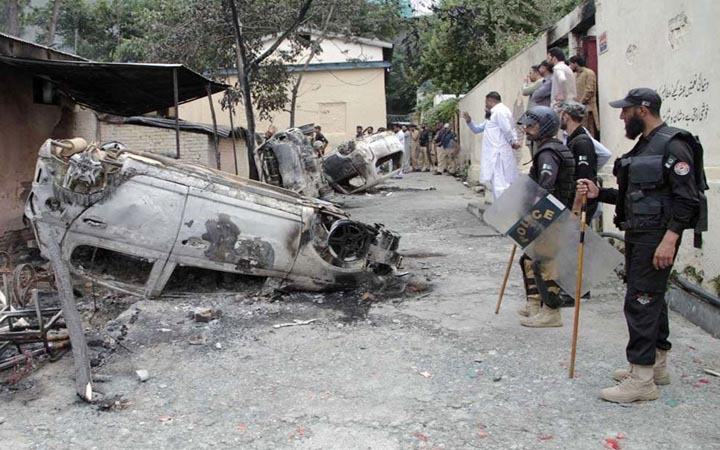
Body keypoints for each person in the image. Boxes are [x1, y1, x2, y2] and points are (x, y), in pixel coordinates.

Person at [575, 88, 701, 403]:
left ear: (642, 110)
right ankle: (656, 367)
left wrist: (670, 239)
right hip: (638, 233)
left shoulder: (674, 145)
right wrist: (598, 193)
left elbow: (688, 199)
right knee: (651, 300)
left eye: (625, 110)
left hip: (656, 237)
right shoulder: (644, 146)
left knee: (640, 302)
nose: (620, 116)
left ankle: (641, 380)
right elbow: (634, 198)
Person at [515, 106, 576, 327]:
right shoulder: (551, 148)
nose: (528, 130)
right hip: (551, 213)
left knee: (544, 262)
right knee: (529, 259)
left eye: (532, 126)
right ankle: (535, 303)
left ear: (546, 126)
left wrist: (533, 215)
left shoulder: (549, 152)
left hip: (550, 215)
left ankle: (551, 311)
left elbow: (546, 185)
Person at [463, 91, 520, 200]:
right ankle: (499, 209)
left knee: (501, 184)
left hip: (499, 154)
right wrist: (469, 121)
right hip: (493, 155)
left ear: (490, 101)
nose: (485, 106)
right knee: (496, 183)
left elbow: (507, 129)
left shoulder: (500, 111)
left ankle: (503, 211)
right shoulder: (492, 115)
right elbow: (477, 129)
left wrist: (513, 142)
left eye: (486, 103)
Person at [559, 101, 598, 222]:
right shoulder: (573, 139)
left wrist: (576, 208)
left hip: (580, 203)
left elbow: (583, 178)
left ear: (566, 116)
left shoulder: (582, 142)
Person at [569, 55, 600, 139]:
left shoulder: (589, 73)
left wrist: (580, 103)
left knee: (589, 132)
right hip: (578, 109)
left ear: (575, 63)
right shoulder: (575, 75)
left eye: (571, 64)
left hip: (587, 108)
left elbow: (589, 90)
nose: (570, 66)